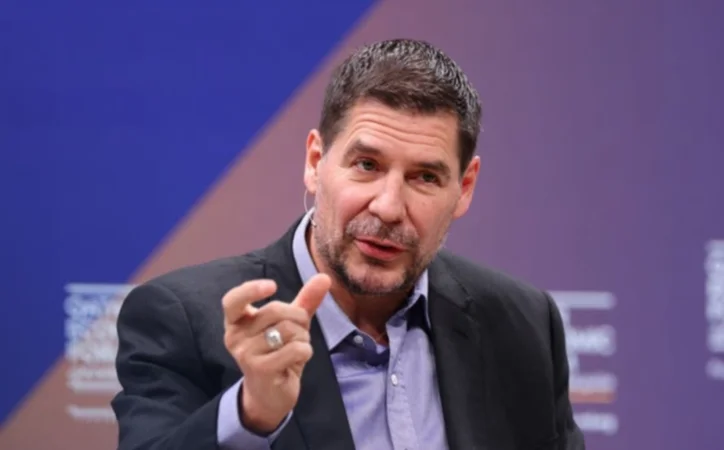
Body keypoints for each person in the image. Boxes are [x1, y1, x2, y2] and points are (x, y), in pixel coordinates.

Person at [111, 38, 585, 450]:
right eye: (367, 165)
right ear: (315, 161)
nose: (389, 207)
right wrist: (253, 412)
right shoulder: (183, 319)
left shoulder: (523, 324)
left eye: (425, 176)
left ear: (464, 188)